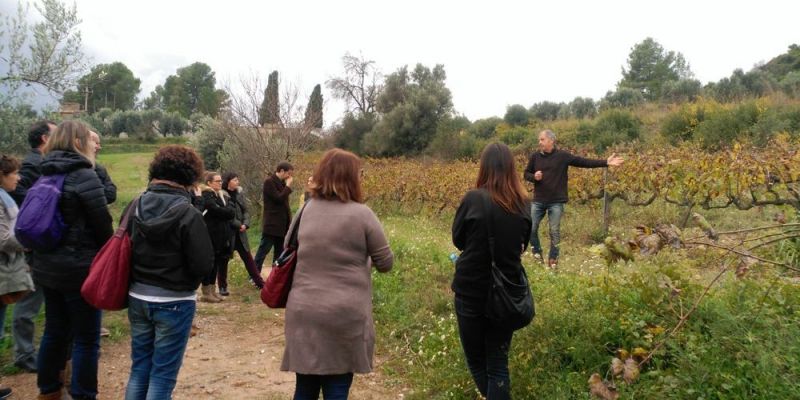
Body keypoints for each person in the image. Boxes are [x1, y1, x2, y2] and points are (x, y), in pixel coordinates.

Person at [281, 149, 393, 399]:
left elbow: (287, 247)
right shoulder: (363, 214)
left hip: (304, 310)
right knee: (337, 387)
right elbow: (385, 263)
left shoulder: (305, 211)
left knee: (305, 388)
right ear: (352, 178)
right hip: (345, 313)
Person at [124, 145, 214, 400]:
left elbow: (124, 248)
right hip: (174, 301)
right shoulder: (189, 213)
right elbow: (203, 265)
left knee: (140, 367)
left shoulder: (135, 205)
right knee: (162, 374)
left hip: (138, 297)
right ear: (189, 176)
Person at [33, 120, 113, 400]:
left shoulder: (45, 172)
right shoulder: (84, 175)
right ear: (78, 143)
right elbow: (102, 224)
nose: (95, 144)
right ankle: (83, 394)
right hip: (79, 269)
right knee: (87, 338)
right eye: (91, 140)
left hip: (46, 267)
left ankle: (49, 390)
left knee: (54, 331)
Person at [451, 143, 532, 400]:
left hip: (472, 291)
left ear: (484, 167)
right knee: (497, 363)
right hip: (506, 293)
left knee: (476, 360)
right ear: (512, 168)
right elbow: (522, 245)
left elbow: (458, 239)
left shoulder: (474, 198)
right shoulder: (523, 203)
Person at [523, 129, 623, 268]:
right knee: (531, 228)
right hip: (539, 200)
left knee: (554, 231)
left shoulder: (562, 156)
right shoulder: (535, 157)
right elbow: (526, 173)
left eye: (542, 139)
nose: (539, 142)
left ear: (551, 140)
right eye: (539, 140)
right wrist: (534, 177)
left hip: (556, 202)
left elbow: (583, 162)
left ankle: (553, 261)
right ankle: (537, 254)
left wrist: (605, 162)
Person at [0, 120, 55, 374]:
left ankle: (27, 351)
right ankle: (23, 353)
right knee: (27, 302)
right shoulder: (34, 165)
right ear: (44, 138)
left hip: (32, 248)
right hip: (26, 250)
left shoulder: (40, 164)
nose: (18, 177)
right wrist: (34, 236)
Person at [221, 172, 264, 292]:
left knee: (248, 258)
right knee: (223, 260)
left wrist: (246, 224)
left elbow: (246, 210)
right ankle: (222, 287)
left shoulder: (240, 193)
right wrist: (238, 224)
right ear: (228, 181)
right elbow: (226, 214)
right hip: (228, 233)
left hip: (241, 232)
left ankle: (260, 283)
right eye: (235, 180)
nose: (237, 182)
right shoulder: (222, 195)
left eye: (237, 180)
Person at [200, 172, 236, 302]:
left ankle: (212, 290)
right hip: (210, 234)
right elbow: (215, 209)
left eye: (221, 181)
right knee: (210, 263)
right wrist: (225, 211)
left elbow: (231, 211)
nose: (220, 183)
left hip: (220, 235)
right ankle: (206, 292)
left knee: (216, 263)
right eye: (217, 181)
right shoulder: (207, 194)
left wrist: (224, 211)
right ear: (209, 183)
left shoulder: (221, 195)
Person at [254, 162, 293, 271]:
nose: (289, 177)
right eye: (288, 174)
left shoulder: (281, 183)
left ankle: (274, 276)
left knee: (279, 253)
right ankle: (254, 275)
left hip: (282, 225)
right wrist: (288, 186)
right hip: (272, 225)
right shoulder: (269, 182)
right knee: (263, 250)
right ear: (281, 171)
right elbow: (278, 199)